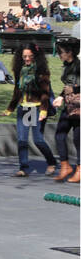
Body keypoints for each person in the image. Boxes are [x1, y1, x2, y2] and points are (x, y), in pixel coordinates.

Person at [4, 41, 57, 177]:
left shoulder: (41, 71)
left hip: (37, 109)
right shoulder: (20, 70)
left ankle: (51, 162)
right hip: (24, 108)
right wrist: (10, 108)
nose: (27, 59)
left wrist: (44, 111)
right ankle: (24, 168)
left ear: (36, 56)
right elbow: (17, 90)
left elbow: (45, 93)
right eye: (24, 56)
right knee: (22, 139)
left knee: (38, 140)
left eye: (30, 56)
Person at [52, 38, 80, 182]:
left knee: (77, 139)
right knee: (59, 135)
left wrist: (75, 89)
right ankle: (65, 166)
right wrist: (60, 97)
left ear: (70, 52)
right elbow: (67, 86)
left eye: (61, 52)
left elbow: (73, 86)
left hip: (79, 107)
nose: (59, 55)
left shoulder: (79, 65)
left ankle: (79, 170)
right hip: (69, 105)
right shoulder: (67, 66)